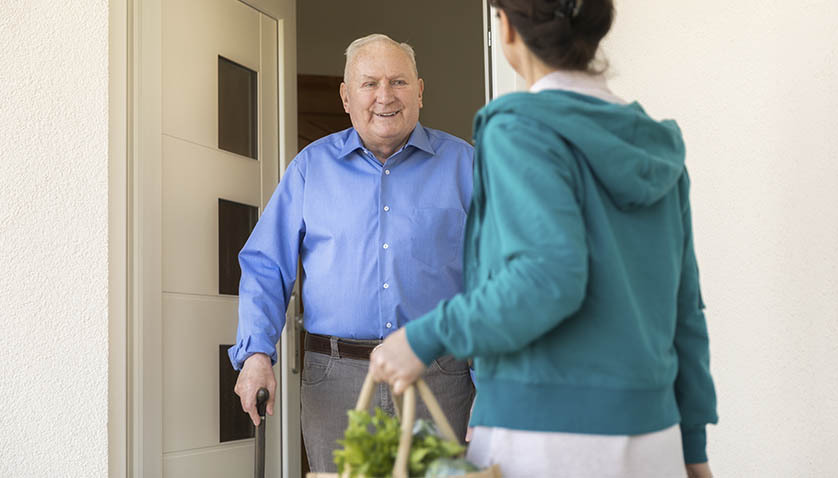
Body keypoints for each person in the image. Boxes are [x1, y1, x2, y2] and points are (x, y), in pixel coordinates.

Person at [369, 1, 718, 477]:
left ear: (507, 28)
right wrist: (693, 448)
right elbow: (685, 311)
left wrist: (423, 337)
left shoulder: (520, 128)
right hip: (653, 436)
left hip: (544, 434)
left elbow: (547, 278)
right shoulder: (653, 144)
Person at [229, 34, 476, 473]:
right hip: (335, 379)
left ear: (419, 91)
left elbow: (494, 281)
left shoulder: (465, 166)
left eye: (398, 82)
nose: (385, 96)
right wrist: (255, 354)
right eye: (369, 83)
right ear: (346, 96)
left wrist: (492, 387)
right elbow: (267, 266)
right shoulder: (310, 167)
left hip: (437, 374)